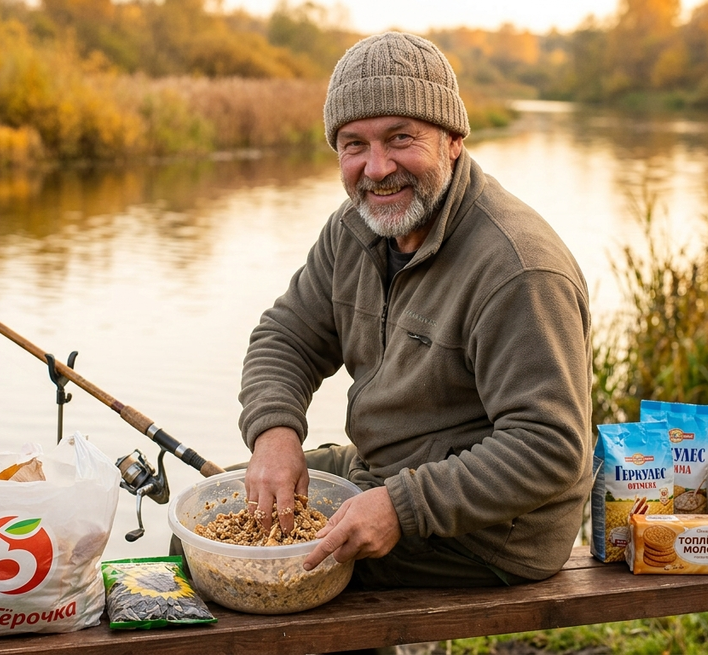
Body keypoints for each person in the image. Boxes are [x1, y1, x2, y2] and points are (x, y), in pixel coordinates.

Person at [238, 31, 594, 589]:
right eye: (354, 144)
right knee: (215, 509)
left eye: (400, 137)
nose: (377, 168)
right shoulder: (353, 228)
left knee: (262, 571)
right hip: (385, 475)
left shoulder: (519, 267)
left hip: (490, 536)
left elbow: (548, 448)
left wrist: (400, 508)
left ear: (453, 139)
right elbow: (287, 337)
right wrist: (274, 434)